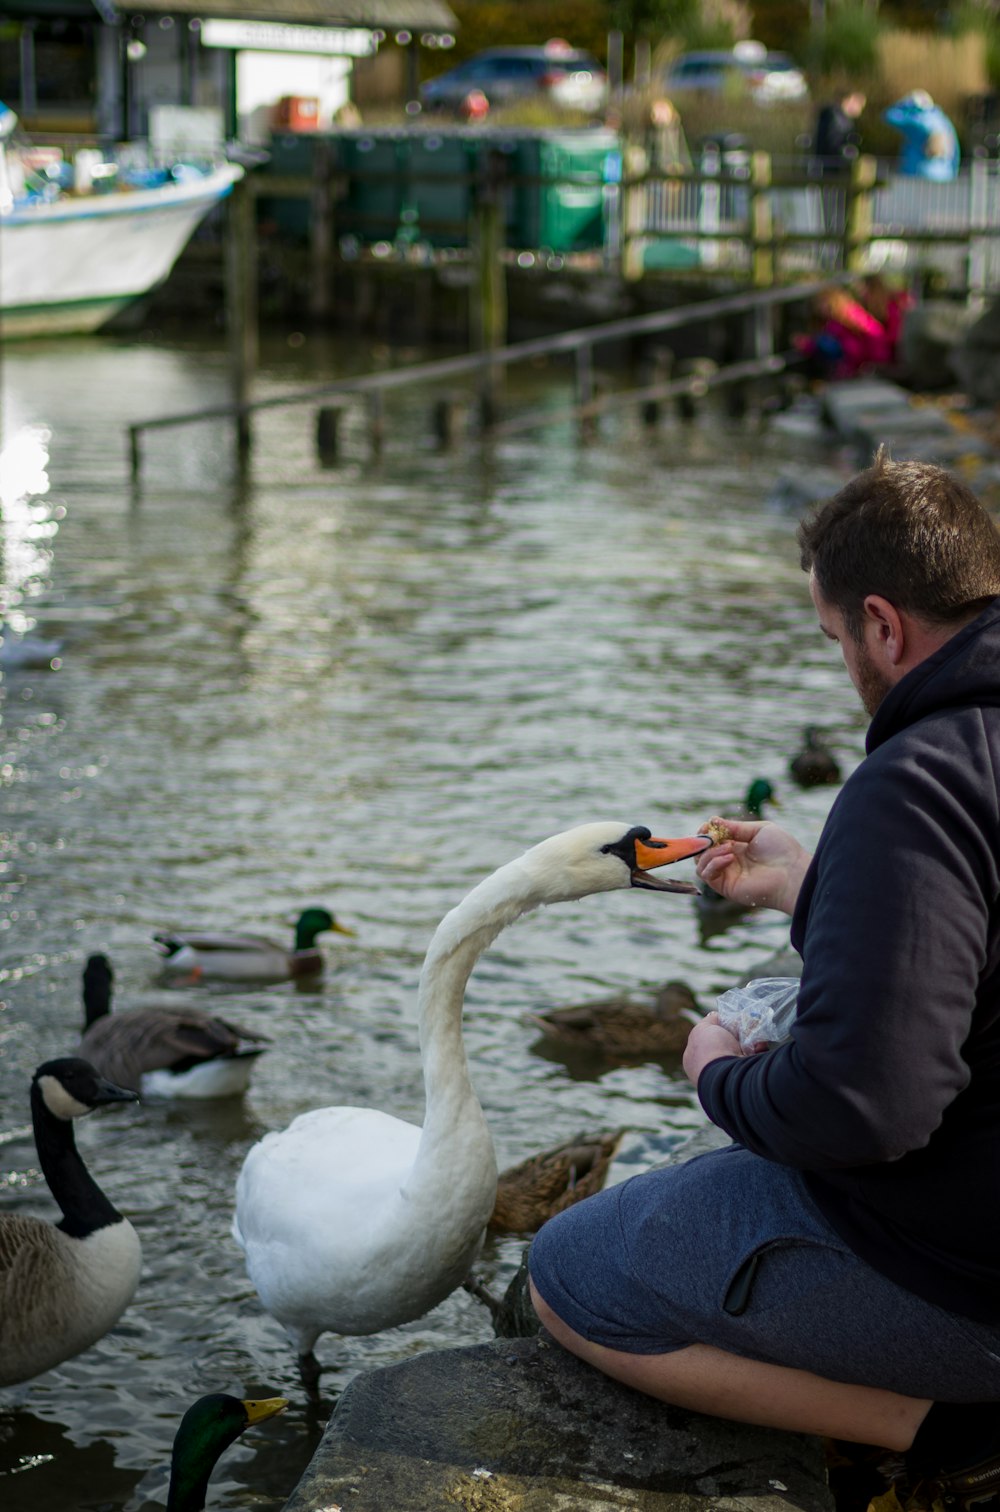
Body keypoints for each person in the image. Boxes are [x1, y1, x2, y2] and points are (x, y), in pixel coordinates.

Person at [529, 450, 1000, 1507]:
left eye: (836, 639)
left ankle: (947, 1434)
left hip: (970, 1272)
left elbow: (864, 1109)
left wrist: (714, 1075)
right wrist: (821, 885)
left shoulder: (915, 782)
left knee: (569, 1274)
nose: (844, 665)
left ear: (882, 625)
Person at [883, 90, 960, 182]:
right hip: (944, 175)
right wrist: (953, 173)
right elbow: (955, 151)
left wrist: (905, 104)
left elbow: (889, 116)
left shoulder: (917, 120)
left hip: (917, 174)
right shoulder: (944, 122)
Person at [812, 86, 866, 176]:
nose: (860, 110)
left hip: (831, 164)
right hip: (829, 165)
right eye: (860, 105)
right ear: (851, 100)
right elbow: (830, 142)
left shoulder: (842, 118)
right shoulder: (833, 116)